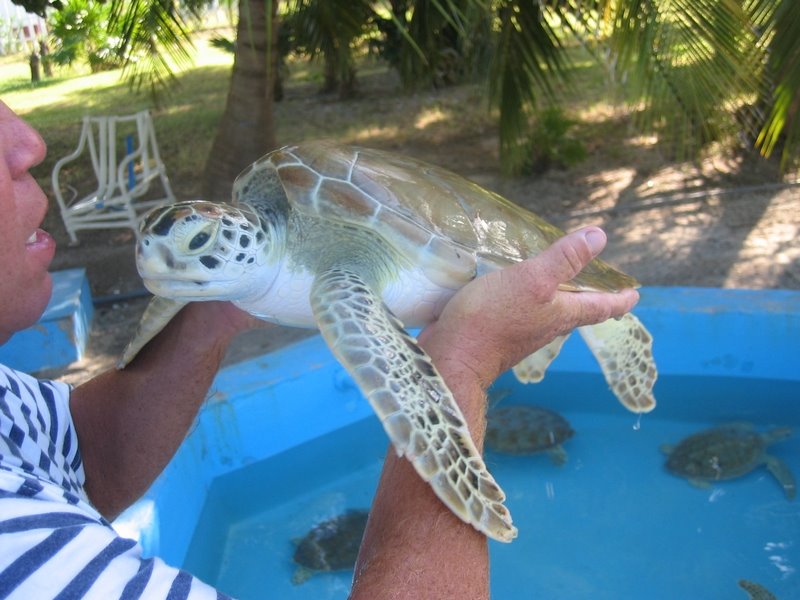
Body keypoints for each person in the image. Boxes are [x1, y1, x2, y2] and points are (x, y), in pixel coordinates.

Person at [0, 99, 639, 599]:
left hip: (445, 242)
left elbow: (82, 458)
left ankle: (614, 323)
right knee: (346, 307)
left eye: (192, 255)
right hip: (353, 267)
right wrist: (463, 363)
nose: (29, 142)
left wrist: (227, 293)